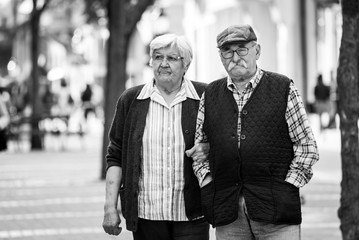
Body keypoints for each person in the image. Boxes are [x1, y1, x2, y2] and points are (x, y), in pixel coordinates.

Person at [187, 24, 319, 240]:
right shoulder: (211, 94)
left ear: (257, 51)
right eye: (227, 51)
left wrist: (287, 186)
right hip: (228, 212)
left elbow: (307, 147)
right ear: (221, 57)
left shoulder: (283, 87)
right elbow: (199, 149)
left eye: (242, 49)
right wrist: (207, 180)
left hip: (277, 213)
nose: (235, 57)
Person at [102, 33, 210, 240]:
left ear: (186, 64)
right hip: (147, 215)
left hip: (192, 214)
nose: (164, 64)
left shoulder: (205, 96)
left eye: (172, 58)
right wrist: (110, 207)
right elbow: (115, 156)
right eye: (158, 57)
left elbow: (226, 143)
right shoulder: (131, 100)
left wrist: (210, 148)